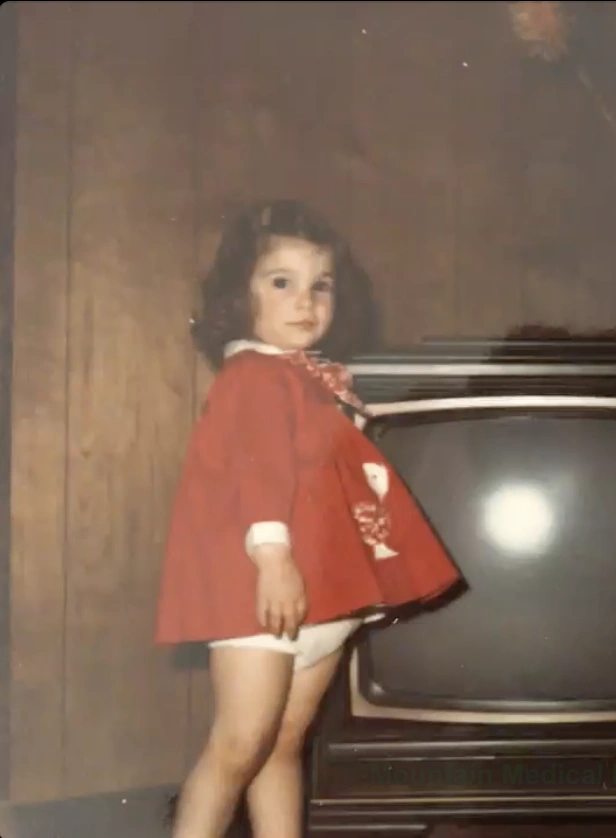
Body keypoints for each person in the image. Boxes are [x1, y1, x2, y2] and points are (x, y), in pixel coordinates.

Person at [155, 199, 462, 838]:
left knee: (281, 746)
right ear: (238, 297)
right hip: (262, 590)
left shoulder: (307, 380)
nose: (305, 301)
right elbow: (260, 475)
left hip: (320, 593)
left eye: (320, 285)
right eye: (281, 282)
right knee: (239, 746)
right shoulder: (254, 375)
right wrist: (272, 558)